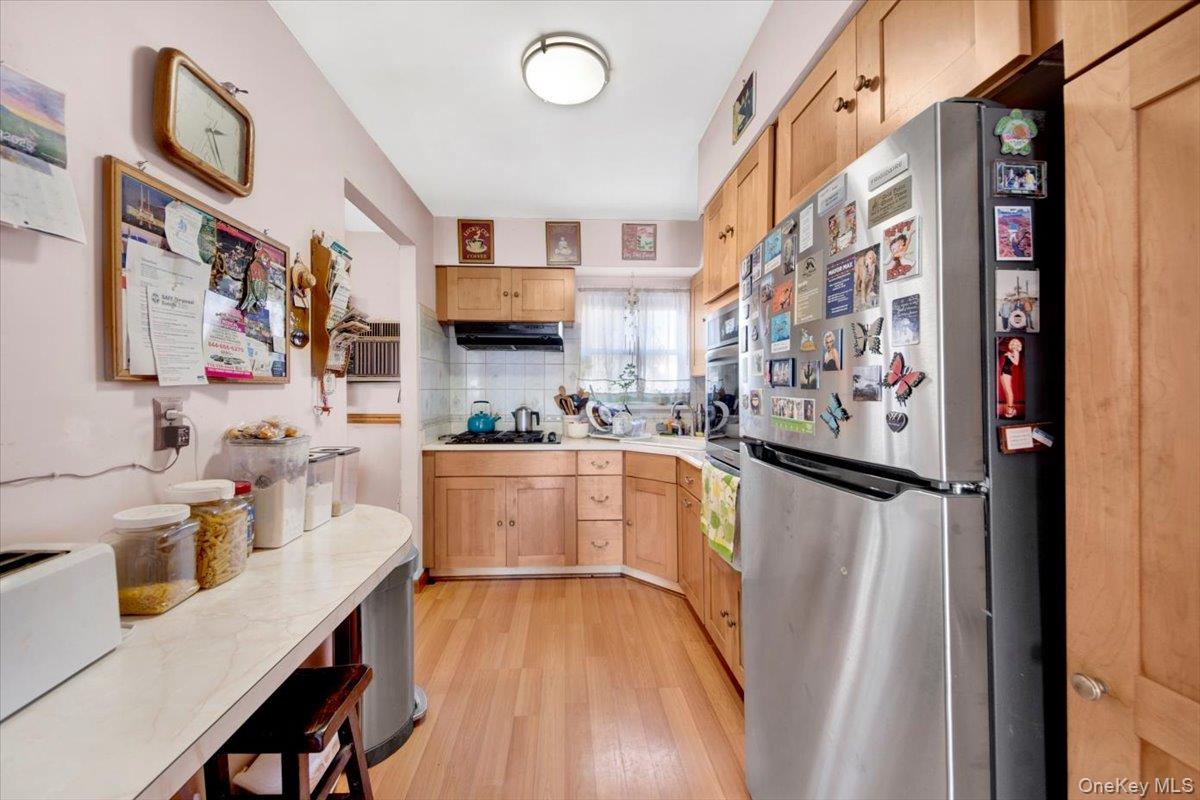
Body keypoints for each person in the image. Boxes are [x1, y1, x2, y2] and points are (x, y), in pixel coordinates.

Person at [998, 337, 1023, 418]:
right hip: (1004, 373)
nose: (1014, 344)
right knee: (1007, 392)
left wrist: (1009, 356)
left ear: (1018, 345)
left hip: (1007, 373)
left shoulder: (1016, 352)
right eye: (1013, 343)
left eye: (1016, 343)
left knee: (1009, 393)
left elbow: (1016, 363)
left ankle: (1011, 410)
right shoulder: (1012, 352)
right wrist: (1009, 355)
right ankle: (1011, 409)